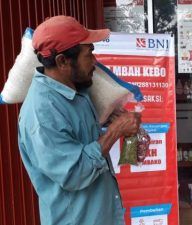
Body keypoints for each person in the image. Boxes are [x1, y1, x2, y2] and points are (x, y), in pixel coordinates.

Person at [18, 16, 140, 225]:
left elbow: (81, 141)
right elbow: (75, 173)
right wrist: (114, 132)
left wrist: (111, 122)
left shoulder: (77, 92)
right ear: (62, 61)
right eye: (89, 53)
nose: (94, 61)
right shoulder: (42, 114)